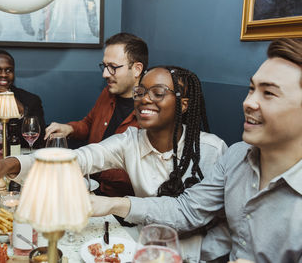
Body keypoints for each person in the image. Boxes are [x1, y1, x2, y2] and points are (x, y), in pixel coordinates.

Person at [0, 65, 229, 262]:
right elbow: (79, 158)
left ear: (183, 104)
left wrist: (113, 204)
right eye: (140, 91)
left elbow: (187, 213)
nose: (144, 99)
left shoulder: (211, 150)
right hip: (144, 247)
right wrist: (8, 165)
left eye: (158, 93)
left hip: (201, 254)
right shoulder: (130, 141)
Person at [89, 38, 302, 262]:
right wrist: (114, 204)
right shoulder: (237, 155)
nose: (248, 102)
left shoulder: (214, 148)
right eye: (251, 89)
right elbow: (187, 210)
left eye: (269, 93)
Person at [44, 32, 148, 198]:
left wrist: (88, 167)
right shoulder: (108, 93)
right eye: (104, 66)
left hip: (122, 202)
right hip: (91, 187)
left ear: (137, 69)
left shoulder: (150, 110)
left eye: (113, 67)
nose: (105, 74)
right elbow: (89, 125)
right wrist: (69, 129)